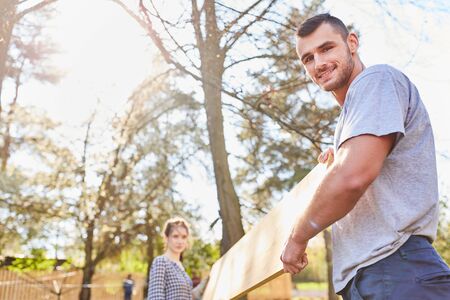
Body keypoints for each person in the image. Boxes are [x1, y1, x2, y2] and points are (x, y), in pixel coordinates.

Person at [280, 13, 450, 299]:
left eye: (326, 48)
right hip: (372, 277)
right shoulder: (351, 116)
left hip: (397, 269)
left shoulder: (376, 79)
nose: (318, 63)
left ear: (352, 43)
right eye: (307, 58)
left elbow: (353, 176)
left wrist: (298, 237)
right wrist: (343, 156)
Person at [147, 217, 193, 299]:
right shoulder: (161, 262)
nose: (180, 241)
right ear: (166, 237)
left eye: (184, 237)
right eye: (175, 236)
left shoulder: (180, 266)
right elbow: (155, 298)